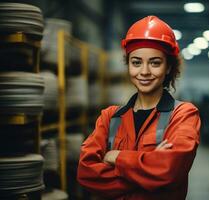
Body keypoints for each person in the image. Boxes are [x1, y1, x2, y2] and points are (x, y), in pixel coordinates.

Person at [77, 15, 201, 200]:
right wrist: (149, 173)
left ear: (168, 67)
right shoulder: (109, 117)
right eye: (136, 62)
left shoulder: (183, 115)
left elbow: (169, 170)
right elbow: (86, 172)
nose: (144, 71)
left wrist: (116, 157)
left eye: (155, 63)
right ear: (128, 65)